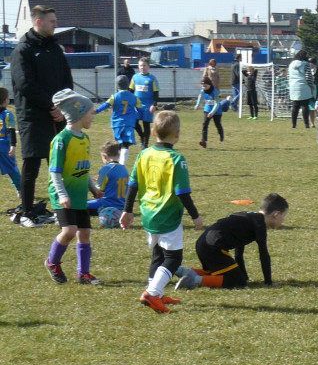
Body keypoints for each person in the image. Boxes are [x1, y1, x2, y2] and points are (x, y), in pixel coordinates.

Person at [119, 110, 203, 313]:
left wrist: (127, 210)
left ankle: (156, 293)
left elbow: (133, 184)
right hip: (168, 215)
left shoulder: (143, 154)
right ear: (178, 134)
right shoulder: (176, 159)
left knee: (158, 254)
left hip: (148, 214)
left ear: (154, 132)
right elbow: (182, 193)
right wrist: (195, 216)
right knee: (174, 258)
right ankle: (151, 293)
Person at [10, 5, 74, 228]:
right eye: (52, 21)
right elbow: (25, 84)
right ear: (38, 22)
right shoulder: (23, 50)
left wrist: (64, 106)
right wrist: (50, 107)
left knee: (60, 164)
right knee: (32, 165)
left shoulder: (55, 48)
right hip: (33, 117)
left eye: (55, 20)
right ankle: (27, 212)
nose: (56, 24)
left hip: (58, 115)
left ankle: (61, 210)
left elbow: (67, 79)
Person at [43, 90, 103, 285]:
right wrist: (61, 194)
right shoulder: (62, 140)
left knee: (84, 232)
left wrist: (93, 188)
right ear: (78, 114)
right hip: (63, 194)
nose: (93, 116)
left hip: (78, 194)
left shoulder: (84, 139)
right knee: (69, 231)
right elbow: (55, 172)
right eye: (90, 112)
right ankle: (52, 262)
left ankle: (83, 274)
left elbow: (84, 169)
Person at [173, 193, 288, 291]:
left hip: (203, 244)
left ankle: (180, 270)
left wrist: (244, 275)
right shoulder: (260, 224)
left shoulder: (249, 217)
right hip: (213, 247)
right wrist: (268, 282)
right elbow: (263, 254)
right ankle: (194, 280)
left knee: (217, 273)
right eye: (283, 217)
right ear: (276, 214)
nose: (283, 221)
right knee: (238, 282)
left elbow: (239, 250)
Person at [95, 75, 142, 165]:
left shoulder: (115, 96)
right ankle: (122, 164)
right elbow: (140, 109)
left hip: (117, 124)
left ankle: (116, 162)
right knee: (126, 144)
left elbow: (106, 105)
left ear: (117, 86)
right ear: (128, 85)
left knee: (118, 143)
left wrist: (96, 111)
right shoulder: (134, 97)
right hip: (128, 123)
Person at [87, 140, 129, 214]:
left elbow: (98, 191)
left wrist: (92, 185)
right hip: (122, 205)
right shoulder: (124, 169)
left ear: (104, 156)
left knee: (81, 204)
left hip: (106, 205)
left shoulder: (106, 169)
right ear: (119, 155)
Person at [130, 57, 159, 147]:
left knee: (146, 124)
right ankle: (142, 137)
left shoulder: (152, 79)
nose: (142, 67)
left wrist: (154, 105)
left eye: (144, 66)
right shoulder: (135, 77)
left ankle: (145, 144)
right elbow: (131, 90)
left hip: (148, 105)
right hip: (136, 105)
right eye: (140, 66)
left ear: (148, 66)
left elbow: (156, 93)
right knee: (134, 122)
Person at [0, 86, 22, 198]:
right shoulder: (8, 114)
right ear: (5, 100)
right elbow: (11, 131)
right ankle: (21, 190)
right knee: (12, 169)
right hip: (4, 146)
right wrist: (13, 145)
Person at [287, 50, 314, 128]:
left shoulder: (291, 65)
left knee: (295, 106)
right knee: (305, 105)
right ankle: (306, 124)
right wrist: (311, 85)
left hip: (293, 86)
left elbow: (288, 76)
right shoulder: (306, 64)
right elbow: (308, 77)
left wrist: (290, 85)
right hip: (304, 86)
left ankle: (294, 124)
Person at [195, 78, 224, 148]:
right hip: (207, 109)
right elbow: (200, 97)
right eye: (202, 85)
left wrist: (212, 112)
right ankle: (204, 141)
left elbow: (217, 104)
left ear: (209, 85)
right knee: (205, 123)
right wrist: (197, 105)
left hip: (216, 111)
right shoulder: (202, 91)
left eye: (205, 85)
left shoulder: (215, 91)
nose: (203, 87)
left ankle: (221, 134)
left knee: (217, 124)